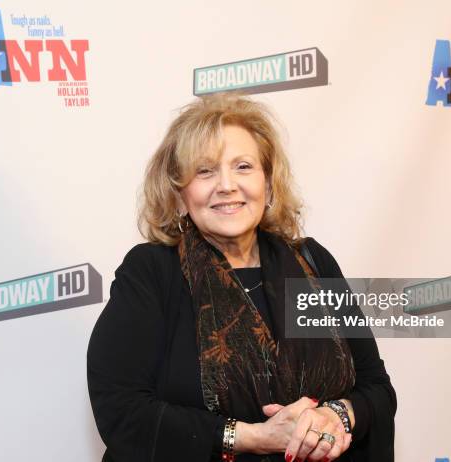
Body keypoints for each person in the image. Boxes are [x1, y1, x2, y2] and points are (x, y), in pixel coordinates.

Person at [86, 92, 396, 462]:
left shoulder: (313, 265)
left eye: (243, 167)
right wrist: (252, 437)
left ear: (268, 182)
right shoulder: (153, 272)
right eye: (204, 171)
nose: (227, 185)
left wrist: (336, 416)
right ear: (180, 195)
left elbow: (376, 388)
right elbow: (121, 409)